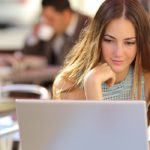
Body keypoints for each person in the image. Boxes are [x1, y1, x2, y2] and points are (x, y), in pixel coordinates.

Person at [52, 0, 150, 106]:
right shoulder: (67, 86)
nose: (118, 52)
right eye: (109, 40)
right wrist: (92, 84)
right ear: (96, 39)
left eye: (129, 42)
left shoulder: (147, 82)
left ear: (140, 43)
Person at [22, 0, 89, 66]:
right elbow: (32, 54)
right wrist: (34, 36)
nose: (47, 23)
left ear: (66, 14)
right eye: (45, 19)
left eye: (51, 19)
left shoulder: (89, 28)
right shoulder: (53, 30)